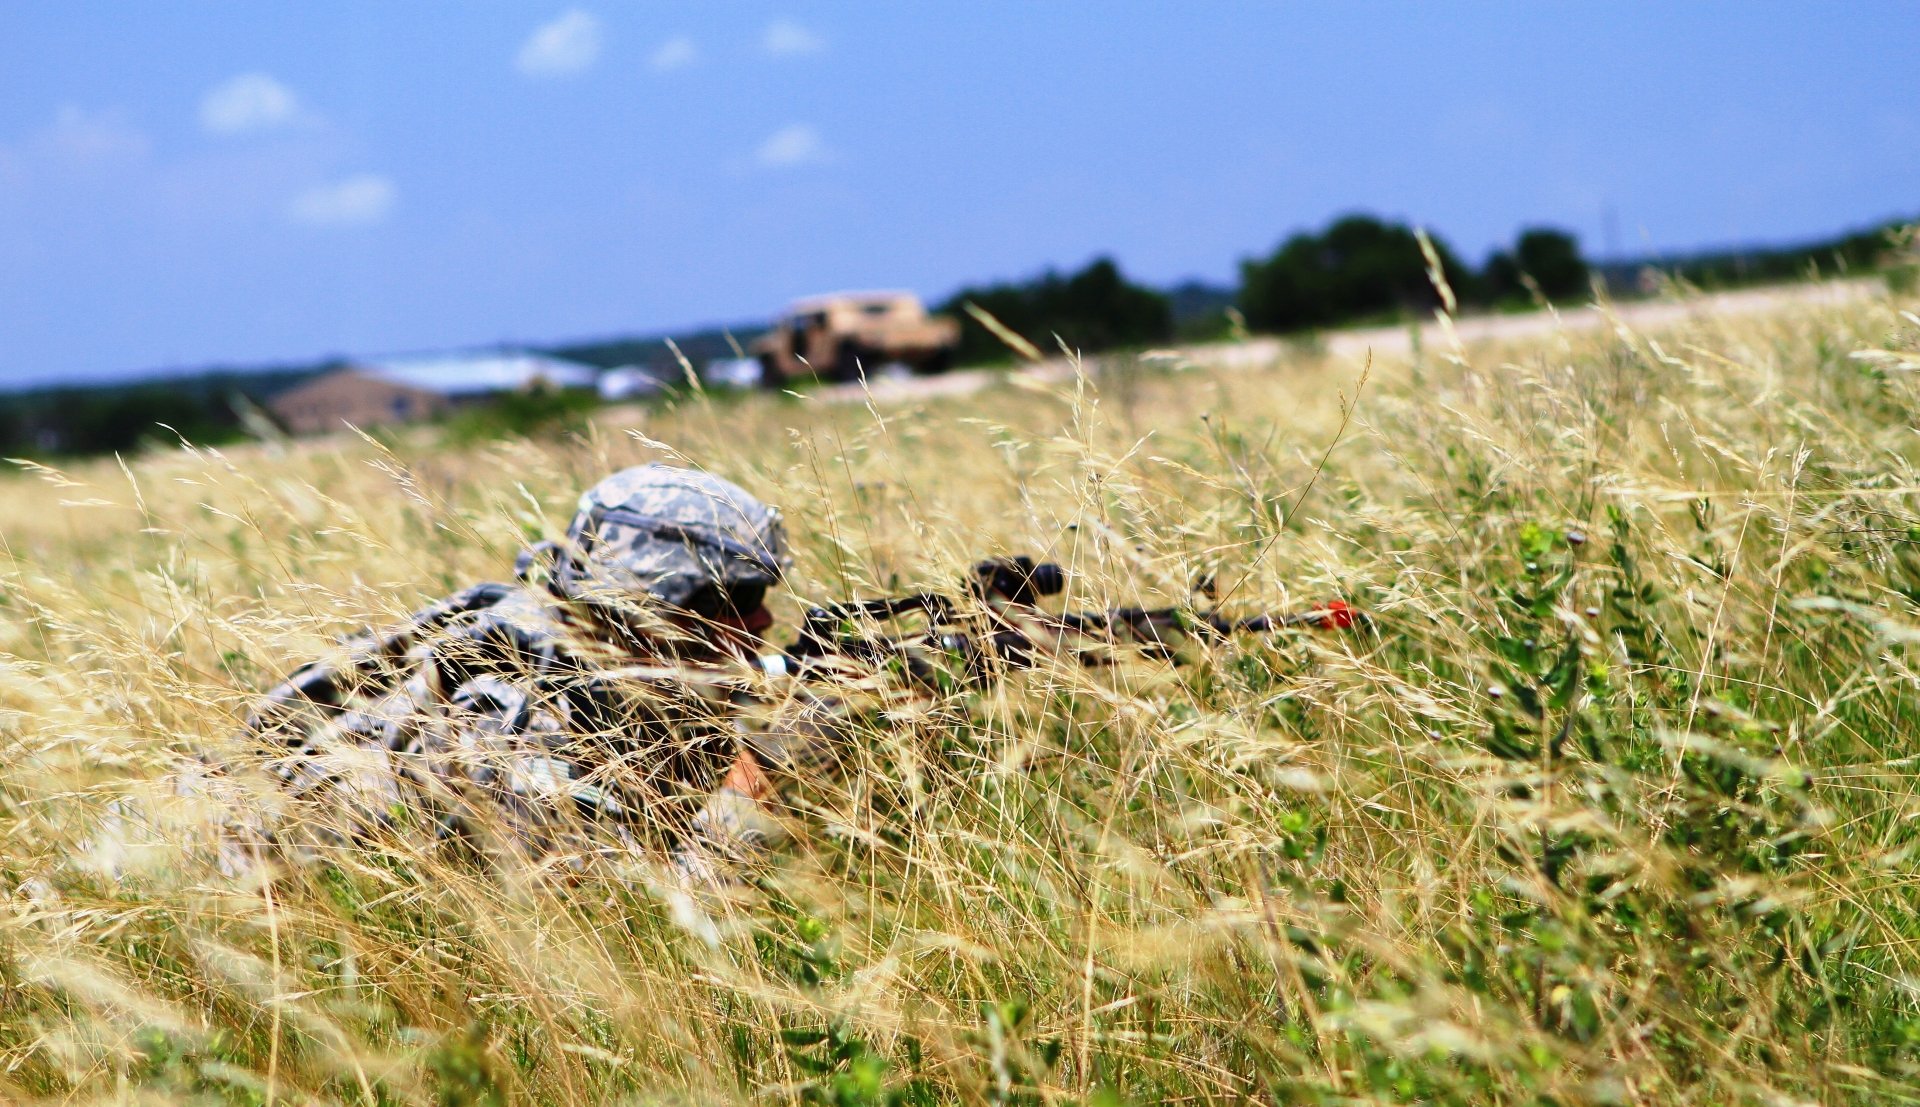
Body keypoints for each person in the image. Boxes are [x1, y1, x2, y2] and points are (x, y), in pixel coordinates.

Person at [236, 463, 847, 877]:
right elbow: (639, 930)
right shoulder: (508, 723)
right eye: (737, 600)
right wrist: (754, 785)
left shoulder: (592, 649)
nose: (766, 618)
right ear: (651, 610)